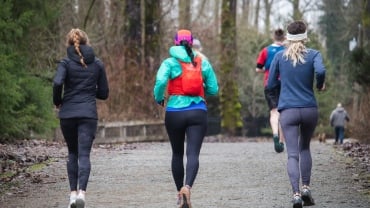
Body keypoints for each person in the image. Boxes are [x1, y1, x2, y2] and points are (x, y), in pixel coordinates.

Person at [153, 29, 219, 208]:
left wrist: (159, 97)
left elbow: (160, 82)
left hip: (174, 112)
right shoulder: (202, 61)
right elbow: (214, 89)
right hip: (198, 111)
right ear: (191, 43)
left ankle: (179, 194)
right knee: (193, 154)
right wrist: (202, 87)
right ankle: (187, 187)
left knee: (177, 153)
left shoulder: (169, 62)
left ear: (175, 43)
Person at [266, 20, 326, 208]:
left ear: (288, 37)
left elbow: (270, 85)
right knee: (305, 148)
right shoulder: (314, 54)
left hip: (288, 110)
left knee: (292, 154)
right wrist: (319, 85)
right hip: (309, 109)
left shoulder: (280, 57)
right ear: (305, 36)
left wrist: (279, 96)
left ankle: (296, 194)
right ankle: (306, 187)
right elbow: (321, 70)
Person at [53, 28, 109, 208]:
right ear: (87, 42)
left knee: (72, 153)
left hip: (68, 114)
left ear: (69, 43)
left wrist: (58, 101)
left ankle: (71, 196)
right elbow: (104, 93)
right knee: (84, 154)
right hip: (88, 114)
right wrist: (90, 91)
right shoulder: (98, 64)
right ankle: (82, 194)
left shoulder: (65, 63)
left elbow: (57, 82)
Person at [255, 28, 286, 153]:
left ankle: (275, 135)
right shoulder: (286, 50)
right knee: (283, 112)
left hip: (269, 83)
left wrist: (267, 71)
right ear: (283, 37)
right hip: (284, 83)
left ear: (273, 37)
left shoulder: (265, 51)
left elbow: (258, 68)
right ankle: (282, 142)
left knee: (274, 112)